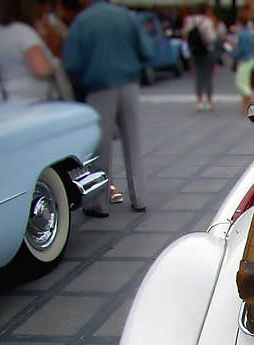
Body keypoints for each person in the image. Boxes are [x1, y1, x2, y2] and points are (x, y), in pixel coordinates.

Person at [62, 0, 153, 217]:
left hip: (98, 87)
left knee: (100, 147)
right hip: (128, 84)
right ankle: (139, 197)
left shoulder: (82, 22)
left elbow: (72, 63)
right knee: (133, 142)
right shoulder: (126, 16)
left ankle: (99, 202)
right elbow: (146, 50)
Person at [0, 0, 61, 103]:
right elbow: (41, 69)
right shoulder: (24, 32)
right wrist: (55, 64)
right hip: (34, 98)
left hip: (8, 95)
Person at [183, 3, 218, 111]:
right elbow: (212, 38)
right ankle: (209, 101)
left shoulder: (189, 20)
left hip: (195, 51)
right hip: (207, 51)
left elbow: (185, 35)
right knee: (208, 76)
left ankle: (199, 101)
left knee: (198, 75)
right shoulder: (207, 21)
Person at [232, 2, 254, 111]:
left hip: (245, 60)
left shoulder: (242, 33)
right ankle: (247, 105)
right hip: (250, 58)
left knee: (241, 83)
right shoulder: (249, 32)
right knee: (245, 83)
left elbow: (241, 49)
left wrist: (233, 54)